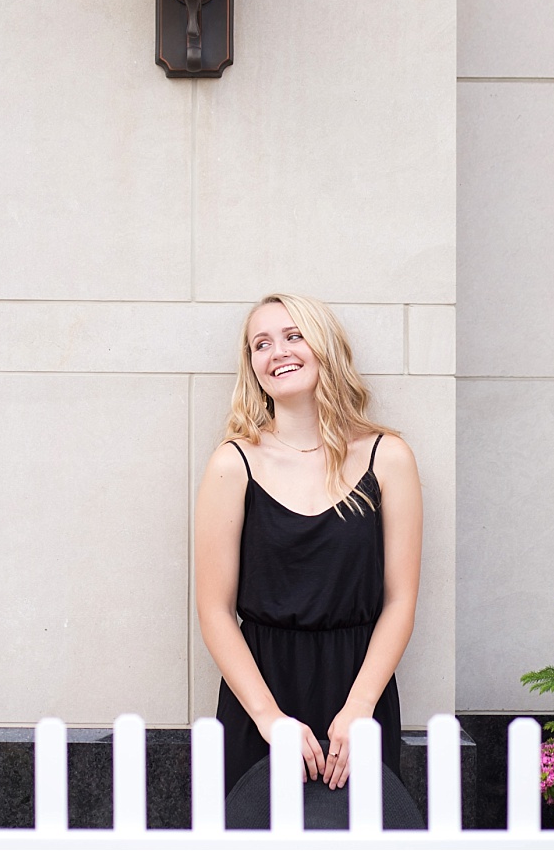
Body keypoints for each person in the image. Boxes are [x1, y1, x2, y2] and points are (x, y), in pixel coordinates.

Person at [193, 293, 425, 829]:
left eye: (294, 335)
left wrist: (359, 706)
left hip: (359, 685)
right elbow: (214, 611)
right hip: (260, 690)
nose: (278, 352)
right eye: (262, 343)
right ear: (252, 366)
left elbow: (401, 600)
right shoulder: (233, 463)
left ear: (325, 348)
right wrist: (270, 719)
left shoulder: (387, 456)